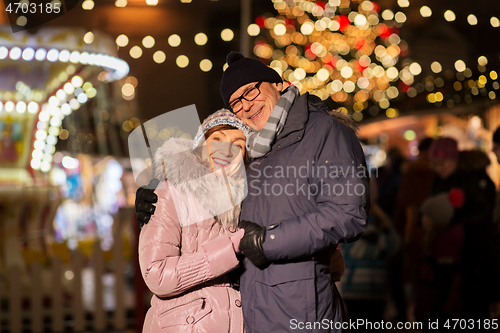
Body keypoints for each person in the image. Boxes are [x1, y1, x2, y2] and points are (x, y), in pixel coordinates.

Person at [137, 52, 369, 332]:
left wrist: (268, 241)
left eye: (250, 91)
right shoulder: (256, 150)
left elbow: (346, 213)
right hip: (245, 313)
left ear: (278, 84)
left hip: (300, 309)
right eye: (236, 102)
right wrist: (162, 187)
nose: (246, 106)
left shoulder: (324, 132)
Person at [138, 110, 251, 333]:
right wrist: (231, 247)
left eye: (238, 144)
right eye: (216, 139)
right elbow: (156, 274)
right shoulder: (171, 192)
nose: (226, 151)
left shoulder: (253, 202)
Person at [427, 137, 496, 323]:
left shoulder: (476, 178)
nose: (438, 168)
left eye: (441, 163)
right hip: (446, 254)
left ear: (453, 159)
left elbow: (483, 216)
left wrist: (454, 221)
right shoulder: (441, 179)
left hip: (473, 255)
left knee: (472, 307)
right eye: (434, 164)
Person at [415, 189, 466, 329]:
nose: (422, 220)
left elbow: (447, 278)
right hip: (434, 307)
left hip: (439, 310)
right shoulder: (437, 239)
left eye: (427, 216)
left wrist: (443, 310)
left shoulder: (445, 242)